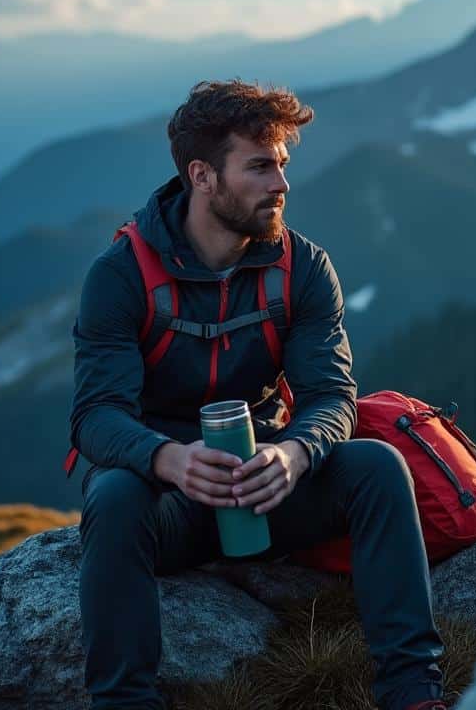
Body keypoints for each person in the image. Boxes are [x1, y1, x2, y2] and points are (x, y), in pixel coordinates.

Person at [69, 79, 447, 710]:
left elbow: (332, 395)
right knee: (112, 495)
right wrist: (170, 459)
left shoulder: (303, 267)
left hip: (270, 491)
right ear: (202, 176)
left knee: (378, 466)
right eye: (260, 167)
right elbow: (95, 416)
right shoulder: (121, 275)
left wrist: (294, 454)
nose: (282, 184)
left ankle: (413, 691)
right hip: (170, 503)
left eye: (282, 164)